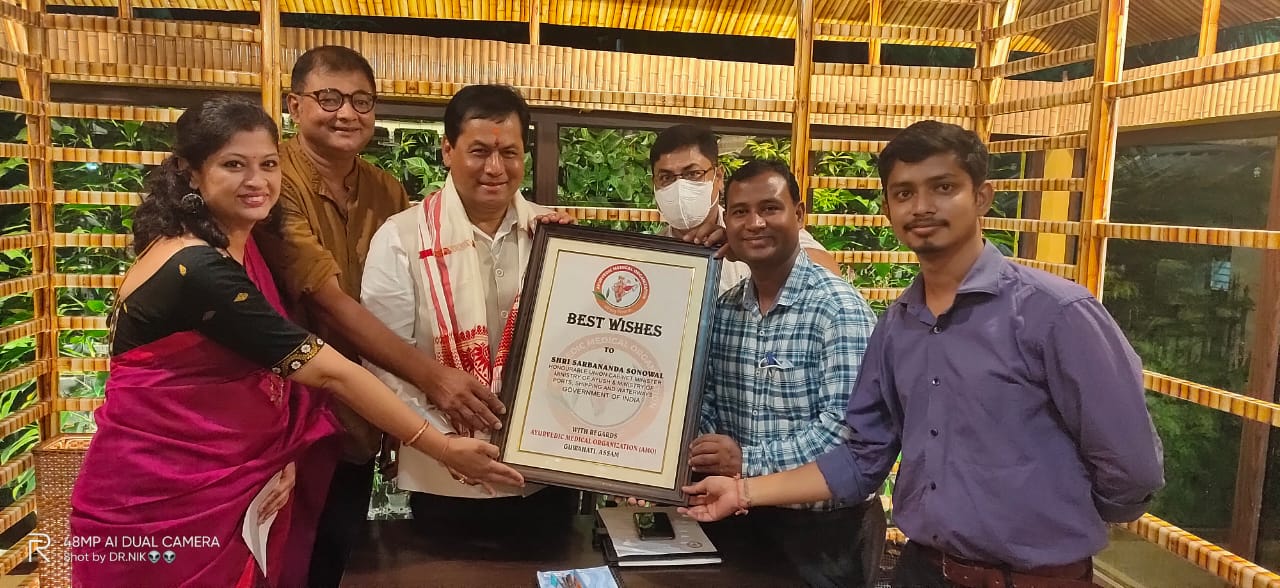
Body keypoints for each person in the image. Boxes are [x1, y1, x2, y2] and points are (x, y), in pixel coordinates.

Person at [679, 120, 1165, 588]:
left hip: (1034, 577)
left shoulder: (1056, 313)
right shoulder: (897, 326)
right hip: (924, 569)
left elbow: (1132, 468)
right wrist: (742, 490)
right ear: (888, 209)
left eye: (943, 187)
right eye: (904, 193)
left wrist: (1058, 523)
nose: (922, 207)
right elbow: (862, 458)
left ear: (982, 197)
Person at [68, 96, 524, 588]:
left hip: (223, 482)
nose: (257, 181)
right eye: (234, 165)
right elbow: (330, 371)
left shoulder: (227, 250)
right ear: (191, 173)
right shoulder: (198, 269)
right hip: (162, 496)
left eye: (268, 164)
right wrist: (441, 447)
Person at [252, 46, 506, 586]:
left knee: (342, 553)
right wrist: (434, 381)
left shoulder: (383, 188)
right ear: (294, 105)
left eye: (361, 101)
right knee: (286, 561)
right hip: (291, 410)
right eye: (329, 99)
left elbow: (408, 302)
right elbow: (327, 300)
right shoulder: (275, 183)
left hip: (364, 412)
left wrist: (397, 422)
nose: (346, 113)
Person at [360, 84, 579, 533]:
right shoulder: (401, 238)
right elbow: (383, 363)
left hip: (545, 477)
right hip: (442, 476)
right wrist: (442, 443)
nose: (495, 168)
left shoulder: (554, 236)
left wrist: (580, 257)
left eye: (509, 153)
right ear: (447, 150)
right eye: (479, 151)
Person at [691, 159, 884, 588]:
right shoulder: (724, 309)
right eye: (740, 212)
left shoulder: (838, 308)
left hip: (825, 537)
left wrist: (745, 462)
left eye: (770, 208)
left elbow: (844, 433)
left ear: (798, 214)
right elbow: (708, 402)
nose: (754, 223)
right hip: (737, 520)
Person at [649, 123, 840, 292]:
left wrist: (745, 251)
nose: (680, 186)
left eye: (693, 173)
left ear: (718, 177)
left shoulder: (753, 232)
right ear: (654, 183)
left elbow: (829, 277)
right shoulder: (648, 253)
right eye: (666, 177)